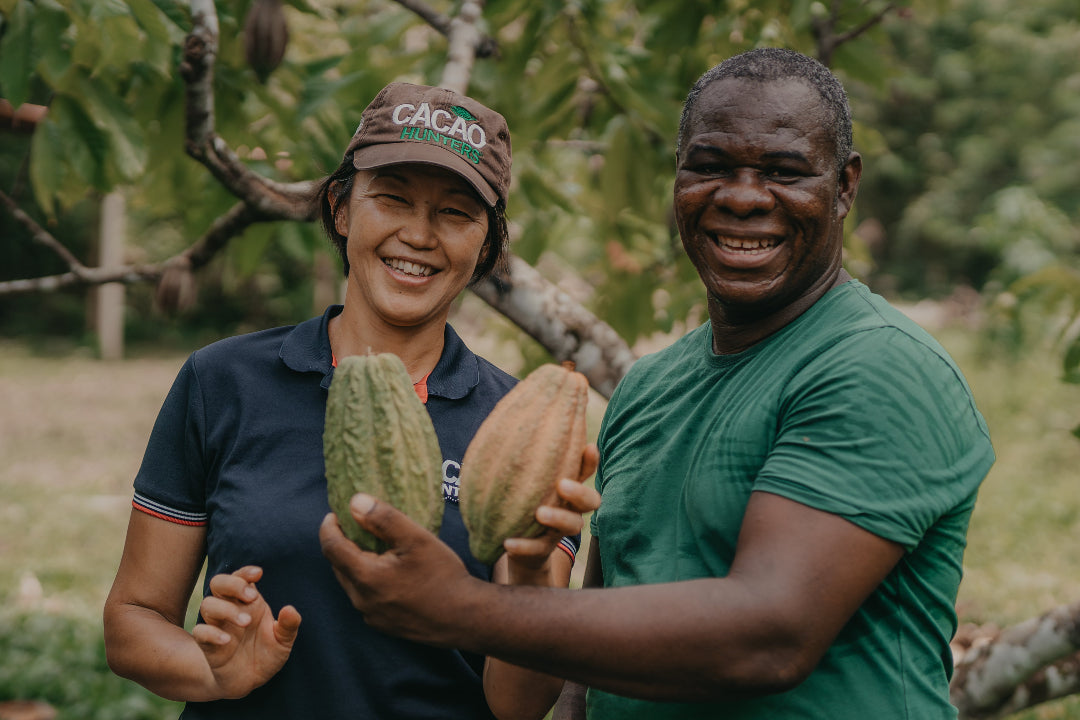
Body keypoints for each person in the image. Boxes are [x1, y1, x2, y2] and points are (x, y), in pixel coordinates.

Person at [318, 49, 996, 720]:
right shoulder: (648, 389)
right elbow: (591, 663)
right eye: (710, 166)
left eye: (784, 172)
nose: (741, 196)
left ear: (844, 187)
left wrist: (461, 607)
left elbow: (768, 638)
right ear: (678, 179)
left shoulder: (876, 367)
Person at [103, 81, 600, 720]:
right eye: (392, 199)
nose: (418, 235)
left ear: (488, 247)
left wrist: (529, 584)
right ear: (341, 209)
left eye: (455, 212)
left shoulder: (522, 424)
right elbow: (132, 620)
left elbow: (520, 706)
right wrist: (216, 670)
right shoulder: (223, 381)